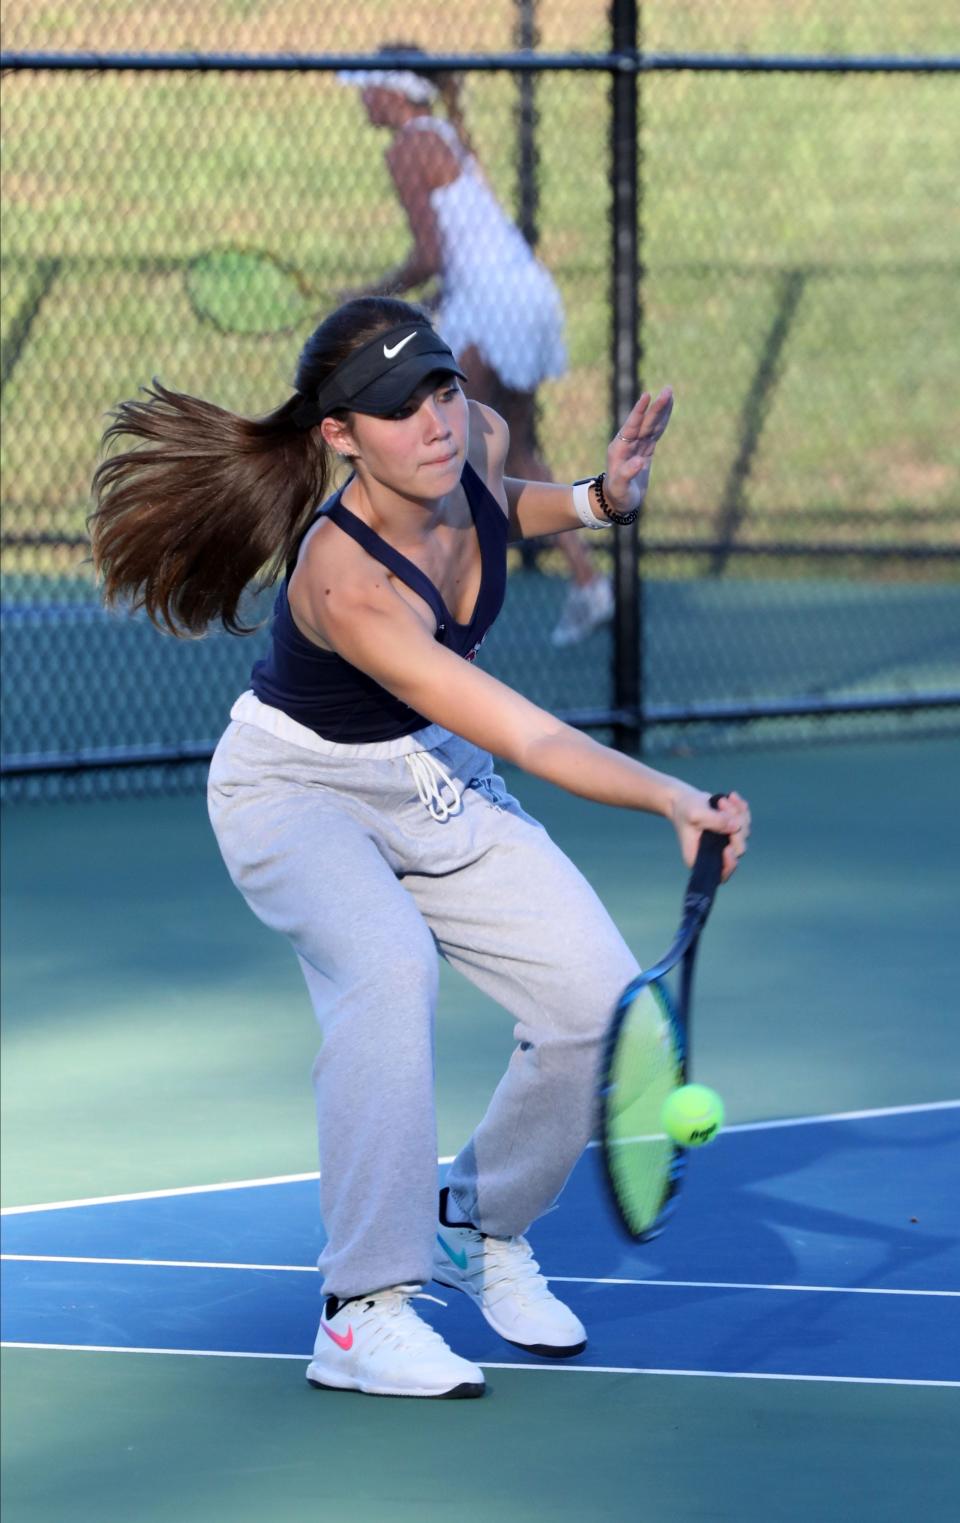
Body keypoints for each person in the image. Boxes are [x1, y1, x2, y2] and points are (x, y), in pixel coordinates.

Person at [90, 296, 750, 1401]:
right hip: (295, 791)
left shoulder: (475, 438)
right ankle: (360, 1310)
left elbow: (501, 506)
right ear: (341, 436)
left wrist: (597, 498)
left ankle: (477, 1221)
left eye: (440, 387)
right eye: (398, 408)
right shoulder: (346, 582)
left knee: (595, 1002)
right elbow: (526, 731)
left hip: (427, 772)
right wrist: (671, 795)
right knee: (390, 967)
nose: (435, 422)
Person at [337, 53, 615, 648]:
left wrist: (361, 298)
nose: (360, 98)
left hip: (494, 307)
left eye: (366, 87)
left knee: (456, 451)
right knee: (506, 447)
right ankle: (590, 583)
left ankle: (436, 599)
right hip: (522, 294)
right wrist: (433, 298)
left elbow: (429, 255)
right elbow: (461, 252)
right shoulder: (442, 134)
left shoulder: (408, 148)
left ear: (391, 92)